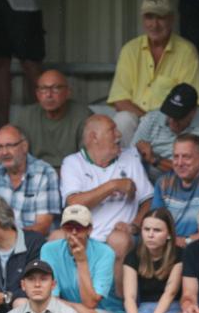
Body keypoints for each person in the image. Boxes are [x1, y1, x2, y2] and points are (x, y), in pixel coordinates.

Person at [61, 115, 153, 293]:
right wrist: (112, 186)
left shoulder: (131, 157)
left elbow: (148, 200)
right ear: (94, 137)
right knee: (56, 239)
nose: (118, 134)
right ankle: (65, 302)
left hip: (121, 236)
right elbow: (74, 204)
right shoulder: (72, 163)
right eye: (112, 130)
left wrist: (134, 225)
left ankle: (121, 305)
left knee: (118, 240)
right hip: (85, 235)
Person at [40, 204, 126, 313]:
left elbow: (90, 303)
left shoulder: (105, 253)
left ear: (89, 229)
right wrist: (77, 308)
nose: (73, 233)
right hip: (70, 312)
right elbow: (49, 298)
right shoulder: (49, 250)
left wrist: (82, 262)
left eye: (78, 228)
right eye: (68, 227)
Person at [107, 0, 199, 146]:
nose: (154, 24)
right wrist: (147, 121)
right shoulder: (130, 50)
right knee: (123, 120)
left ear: (171, 19)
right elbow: (120, 100)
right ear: (143, 19)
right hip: (137, 120)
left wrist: (160, 123)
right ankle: (125, 167)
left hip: (172, 123)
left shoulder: (187, 51)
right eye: (149, 17)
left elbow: (190, 101)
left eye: (161, 17)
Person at [132, 83, 199, 185]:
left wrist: (154, 159)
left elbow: (197, 170)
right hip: (152, 184)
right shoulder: (151, 119)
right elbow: (131, 158)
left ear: (193, 112)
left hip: (194, 186)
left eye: (178, 117)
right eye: (169, 113)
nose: (171, 121)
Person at [0, 124, 60, 236]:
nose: (4, 152)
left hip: (33, 243)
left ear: (24, 146)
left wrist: (9, 239)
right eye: (0, 147)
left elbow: (43, 225)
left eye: (9, 145)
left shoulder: (45, 173)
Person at [12, 69, 92, 169]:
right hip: (35, 174)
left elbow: (90, 159)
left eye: (55, 88)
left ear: (68, 92)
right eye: (43, 89)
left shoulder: (83, 115)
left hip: (72, 173)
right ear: (37, 94)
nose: (48, 95)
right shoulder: (26, 116)